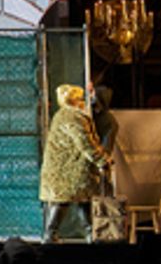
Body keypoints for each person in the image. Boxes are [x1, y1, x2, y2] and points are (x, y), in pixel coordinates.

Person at [39, 83, 113, 243]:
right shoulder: (73, 118)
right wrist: (101, 160)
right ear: (75, 101)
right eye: (81, 98)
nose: (84, 101)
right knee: (65, 200)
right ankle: (53, 235)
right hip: (68, 169)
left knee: (80, 199)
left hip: (67, 168)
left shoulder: (65, 115)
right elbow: (85, 143)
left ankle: (90, 233)